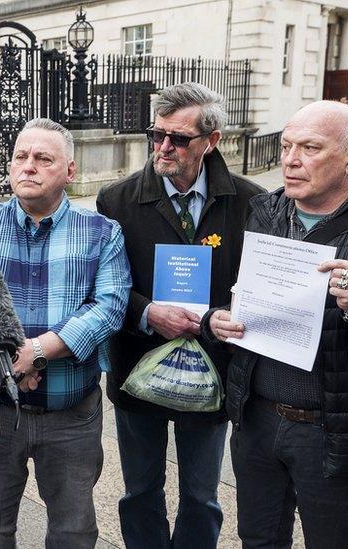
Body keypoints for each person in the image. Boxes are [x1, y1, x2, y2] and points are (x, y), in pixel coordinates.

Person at [206, 100, 348, 548]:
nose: (290, 160)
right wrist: (219, 321)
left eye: (310, 148)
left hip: (334, 433)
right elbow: (241, 296)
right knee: (258, 538)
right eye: (286, 145)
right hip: (257, 421)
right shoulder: (265, 213)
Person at [0, 118, 132, 548]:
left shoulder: (102, 233)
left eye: (43, 158)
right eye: (21, 157)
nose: (28, 166)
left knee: (73, 530)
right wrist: (3, 358)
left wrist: (39, 351)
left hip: (72, 415)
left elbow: (110, 307)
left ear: (70, 171)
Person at [95, 82, 264, 548]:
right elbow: (104, 289)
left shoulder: (252, 203)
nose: (163, 147)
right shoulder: (117, 200)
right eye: (157, 134)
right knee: (140, 490)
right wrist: (148, 311)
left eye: (178, 138)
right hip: (138, 369)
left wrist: (219, 317)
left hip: (213, 370)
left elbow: (259, 289)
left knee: (201, 495)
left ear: (212, 142)